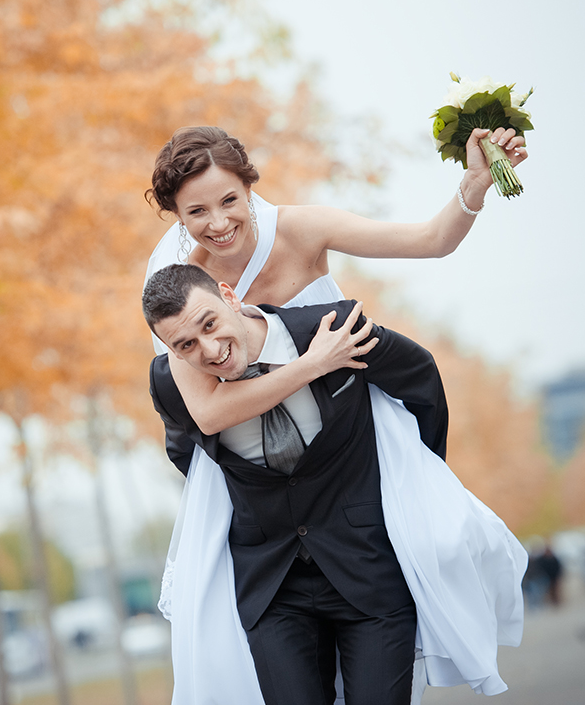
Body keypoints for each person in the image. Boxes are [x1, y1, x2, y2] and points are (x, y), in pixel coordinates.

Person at [144, 125, 528, 704]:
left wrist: (474, 183)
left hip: (349, 413)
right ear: (176, 217)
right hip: (258, 453)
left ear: (251, 187)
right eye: (196, 211)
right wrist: (307, 368)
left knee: (437, 543)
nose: (218, 223)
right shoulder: (185, 294)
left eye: (229, 200)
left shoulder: (303, 228)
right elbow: (202, 412)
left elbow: (430, 240)